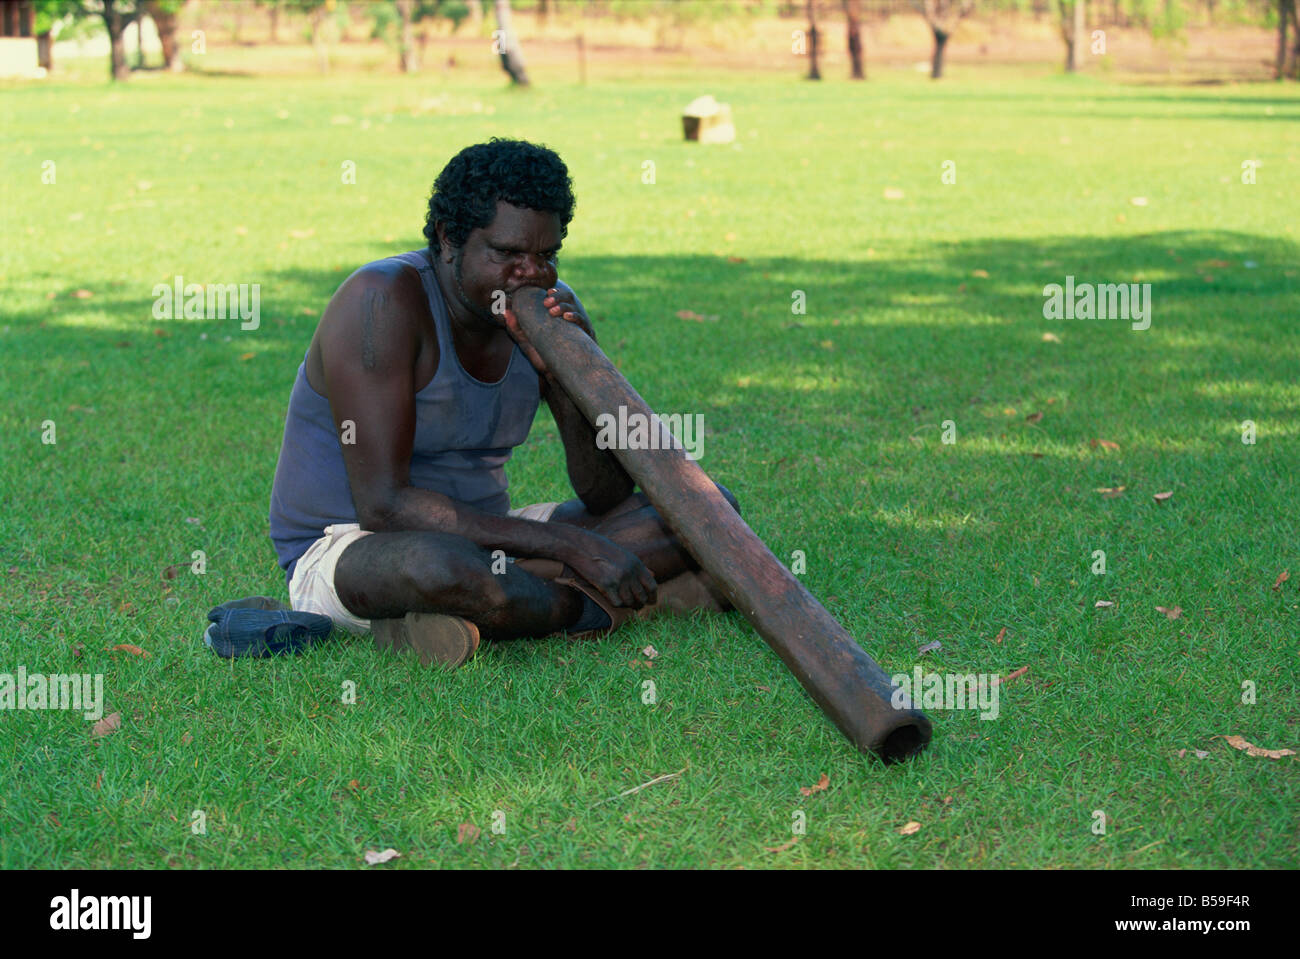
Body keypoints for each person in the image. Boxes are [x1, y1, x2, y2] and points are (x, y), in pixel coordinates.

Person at [268, 138, 735, 668]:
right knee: (441, 567)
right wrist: (569, 546)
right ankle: (617, 606)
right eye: (508, 254)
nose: (531, 274)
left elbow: (604, 492)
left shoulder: (556, 310)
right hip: (356, 546)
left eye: (547, 255)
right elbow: (385, 506)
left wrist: (566, 378)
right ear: (449, 240)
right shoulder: (381, 301)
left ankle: (480, 615)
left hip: (490, 534)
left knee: (704, 507)